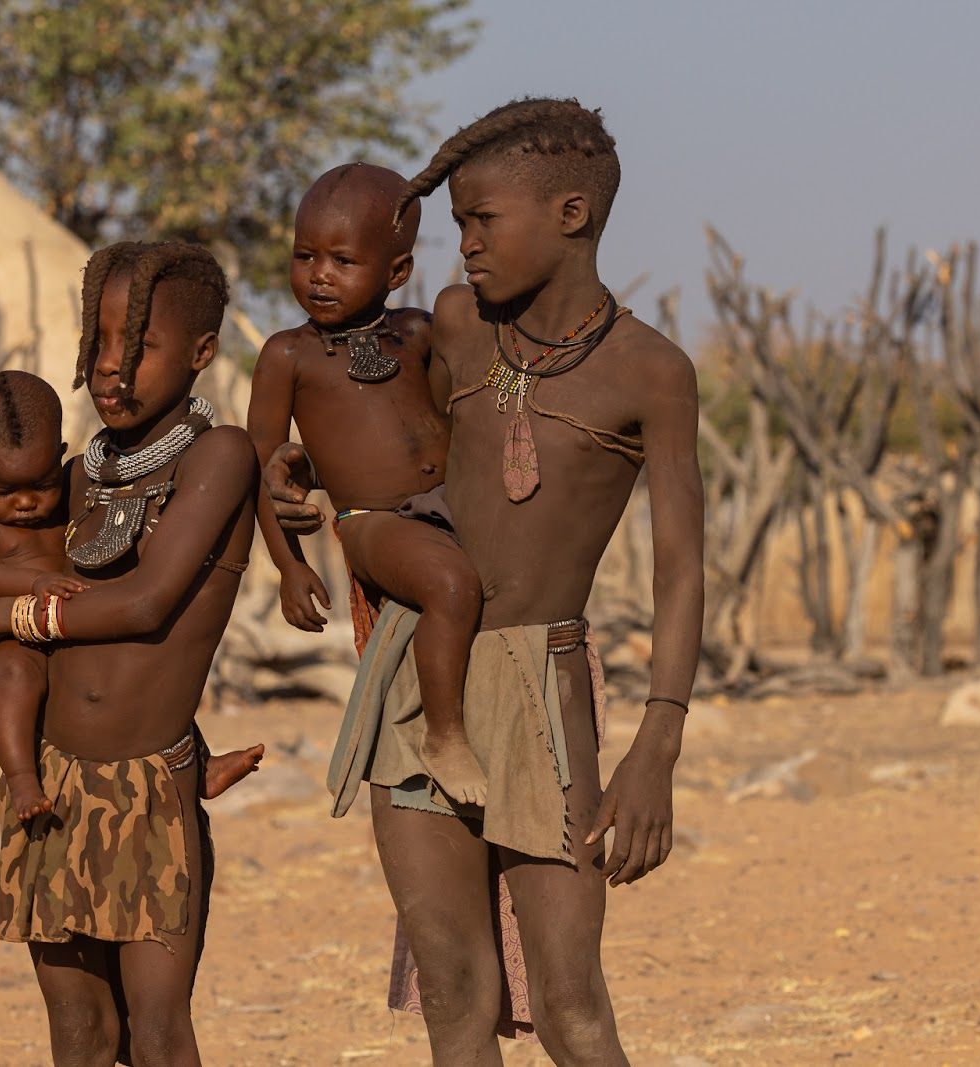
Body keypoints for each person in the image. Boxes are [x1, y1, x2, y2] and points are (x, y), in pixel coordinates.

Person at [265, 98, 705, 1065]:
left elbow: (682, 572)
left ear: (572, 214)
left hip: (543, 688)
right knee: (455, 994)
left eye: (481, 220)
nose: (460, 245)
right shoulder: (456, 327)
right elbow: (381, 437)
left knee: (568, 1001)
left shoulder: (650, 371)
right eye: (457, 221)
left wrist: (655, 751)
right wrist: (295, 465)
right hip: (421, 671)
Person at [0, 241, 263, 1066]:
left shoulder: (217, 460)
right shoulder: (74, 475)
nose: (112, 367)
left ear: (201, 353)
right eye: (100, 340)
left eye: (140, 345)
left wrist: (10, 616)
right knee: (80, 1035)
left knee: (157, 1035)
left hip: (148, 783)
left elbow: (147, 602)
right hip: (51, 782)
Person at [247, 161, 487, 805]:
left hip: (453, 507)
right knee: (451, 584)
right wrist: (289, 567)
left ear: (397, 272)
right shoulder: (286, 354)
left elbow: (461, 410)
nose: (319, 275)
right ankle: (445, 735)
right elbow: (261, 467)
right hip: (372, 522)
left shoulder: (417, 333)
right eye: (305, 256)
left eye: (342, 260)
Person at [0, 370, 86, 822]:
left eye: (41, 486)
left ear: (60, 459)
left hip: (82, 631)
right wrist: (36, 584)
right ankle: (23, 779)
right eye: (3, 491)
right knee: (12, 681)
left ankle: (195, 759)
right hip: (15, 636)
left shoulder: (77, 492)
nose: (25, 503)